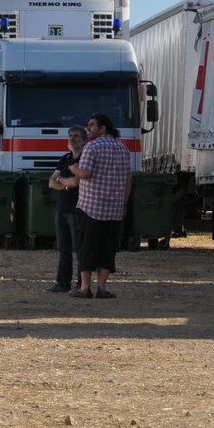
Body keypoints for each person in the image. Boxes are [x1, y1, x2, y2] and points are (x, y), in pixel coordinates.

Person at [69, 112, 131, 299]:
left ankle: (85, 288)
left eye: (92, 125)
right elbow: (128, 179)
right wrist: (124, 203)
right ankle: (102, 288)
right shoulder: (123, 149)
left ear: (103, 128)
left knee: (87, 247)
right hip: (115, 208)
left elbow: (85, 173)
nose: (88, 129)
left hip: (92, 207)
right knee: (108, 249)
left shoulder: (92, 147)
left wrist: (73, 168)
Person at [45, 125, 86, 293]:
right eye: (70, 135)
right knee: (64, 249)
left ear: (84, 139)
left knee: (80, 249)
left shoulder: (85, 159)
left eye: (76, 136)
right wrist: (66, 183)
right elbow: (51, 182)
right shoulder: (64, 158)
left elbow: (77, 182)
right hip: (61, 210)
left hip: (78, 210)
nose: (72, 138)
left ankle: (81, 284)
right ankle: (62, 283)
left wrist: (63, 181)